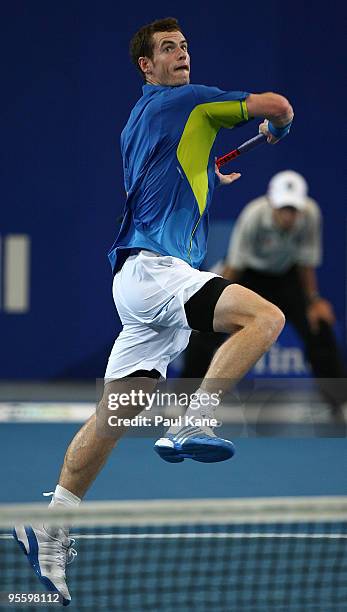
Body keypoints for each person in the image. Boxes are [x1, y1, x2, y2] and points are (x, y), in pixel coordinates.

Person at [13, 17, 293, 605]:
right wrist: (278, 124)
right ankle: (194, 417)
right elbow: (278, 104)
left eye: (186, 46)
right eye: (168, 48)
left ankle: (50, 523)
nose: (182, 54)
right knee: (264, 319)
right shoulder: (193, 102)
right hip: (158, 272)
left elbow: (165, 176)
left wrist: (206, 172)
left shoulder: (137, 120)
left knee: (117, 413)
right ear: (146, 64)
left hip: (136, 282)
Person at [182, 170, 346, 413]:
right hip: (248, 275)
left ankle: (340, 403)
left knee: (318, 326)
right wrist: (213, 303)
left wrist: (313, 300)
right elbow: (234, 266)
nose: (288, 216)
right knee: (206, 332)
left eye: (293, 209)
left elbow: (306, 263)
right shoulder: (253, 215)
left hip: (286, 278)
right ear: (271, 202)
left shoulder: (311, 215)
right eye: (283, 208)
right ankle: (183, 400)